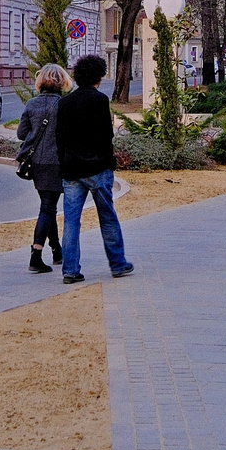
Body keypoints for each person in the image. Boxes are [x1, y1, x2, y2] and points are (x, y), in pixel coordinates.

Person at [54, 54, 133, 284]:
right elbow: (105, 136)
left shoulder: (65, 103)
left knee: (71, 221)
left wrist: (64, 162)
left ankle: (70, 270)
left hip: (71, 169)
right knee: (107, 217)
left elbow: (60, 138)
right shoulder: (100, 100)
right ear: (98, 76)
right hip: (98, 167)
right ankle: (118, 264)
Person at [17, 63, 69, 274]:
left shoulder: (31, 104)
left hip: (36, 162)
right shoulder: (64, 105)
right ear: (63, 82)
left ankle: (56, 250)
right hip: (56, 162)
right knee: (48, 207)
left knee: (48, 205)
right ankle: (36, 254)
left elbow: (21, 134)